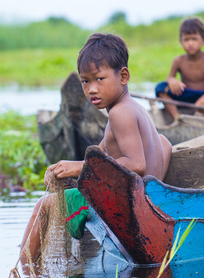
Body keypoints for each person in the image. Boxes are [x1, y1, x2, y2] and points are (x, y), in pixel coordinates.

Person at [21, 33, 172, 260]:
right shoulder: (134, 109)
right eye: (85, 81)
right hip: (149, 203)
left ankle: (23, 272)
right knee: (161, 141)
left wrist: (79, 168)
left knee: (44, 205)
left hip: (131, 209)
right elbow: (164, 146)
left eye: (99, 79)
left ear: (123, 76)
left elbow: (137, 164)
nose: (91, 89)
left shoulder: (120, 113)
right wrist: (66, 168)